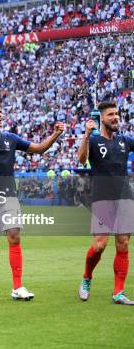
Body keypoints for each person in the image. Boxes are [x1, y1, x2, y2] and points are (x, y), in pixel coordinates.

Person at [0, 101, 64, 300]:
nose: (0, 115)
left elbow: (38, 149)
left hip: (9, 194)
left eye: (1, 112)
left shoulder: (11, 138)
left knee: (14, 236)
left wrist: (55, 135)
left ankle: (17, 287)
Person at [76, 101, 134, 305]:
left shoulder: (125, 140)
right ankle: (86, 278)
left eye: (117, 114)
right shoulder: (93, 141)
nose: (116, 117)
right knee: (100, 245)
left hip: (125, 197)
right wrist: (86, 135)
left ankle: (118, 292)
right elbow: (82, 160)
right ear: (102, 118)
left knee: (123, 243)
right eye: (111, 114)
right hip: (102, 198)